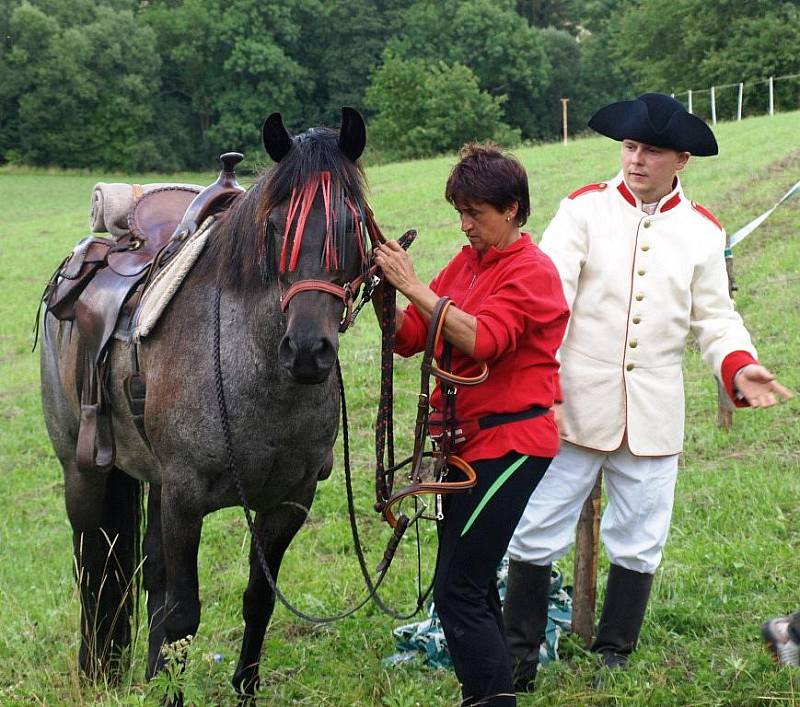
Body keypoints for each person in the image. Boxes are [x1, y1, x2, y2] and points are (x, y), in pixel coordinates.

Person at [503, 93, 794, 691]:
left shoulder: (702, 232)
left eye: (651, 151)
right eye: (630, 147)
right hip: (573, 402)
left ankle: (614, 655)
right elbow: (545, 304)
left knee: (639, 542)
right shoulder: (583, 211)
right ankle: (516, 660)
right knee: (536, 531)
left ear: (680, 159)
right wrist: (544, 388)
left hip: (655, 409)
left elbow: (714, 320)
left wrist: (740, 367)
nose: (636, 160)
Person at [372, 144, 569, 706]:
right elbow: (416, 337)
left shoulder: (533, 272)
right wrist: (388, 296)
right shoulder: (466, 264)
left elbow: (483, 339)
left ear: (511, 209)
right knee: (471, 584)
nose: (465, 225)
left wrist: (413, 287)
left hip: (511, 444)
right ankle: (488, 694)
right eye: (459, 212)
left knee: (457, 590)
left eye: (475, 213)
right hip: (465, 445)